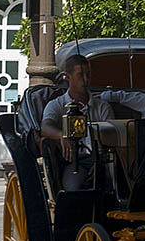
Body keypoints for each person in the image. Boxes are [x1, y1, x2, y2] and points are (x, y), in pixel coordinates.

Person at [41, 54, 114, 191]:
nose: (86, 80)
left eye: (88, 74)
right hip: (75, 163)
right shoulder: (57, 105)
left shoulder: (102, 107)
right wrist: (62, 135)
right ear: (68, 77)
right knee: (73, 188)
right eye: (80, 75)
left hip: (103, 162)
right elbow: (45, 127)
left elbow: (112, 134)